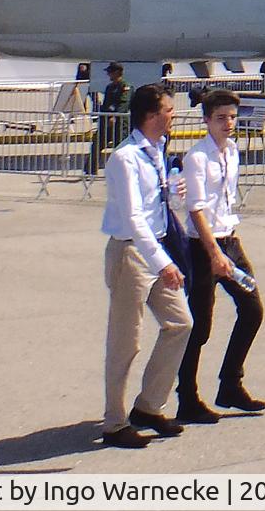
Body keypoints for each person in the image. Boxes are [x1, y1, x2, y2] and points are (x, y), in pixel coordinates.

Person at [99, 83, 192, 448]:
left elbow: (156, 207)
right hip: (132, 254)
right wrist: (163, 263)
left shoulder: (157, 150)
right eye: (169, 110)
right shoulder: (125, 157)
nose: (174, 115)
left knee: (180, 323)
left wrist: (174, 195)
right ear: (152, 114)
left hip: (155, 247)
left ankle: (149, 406)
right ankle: (114, 422)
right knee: (126, 342)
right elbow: (133, 218)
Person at [176, 89, 265, 422]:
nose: (228, 124)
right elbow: (195, 208)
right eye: (221, 118)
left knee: (252, 309)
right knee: (199, 327)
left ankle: (230, 384)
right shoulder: (196, 157)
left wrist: (227, 246)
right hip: (203, 246)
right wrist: (214, 253)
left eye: (232, 117)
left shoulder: (232, 151)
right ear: (206, 120)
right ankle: (187, 397)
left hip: (229, 239)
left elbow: (223, 202)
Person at [88, 64, 130, 177]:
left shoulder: (125, 87)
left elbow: (123, 104)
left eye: (110, 72)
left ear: (117, 72)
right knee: (97, 144)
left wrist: (115, 116)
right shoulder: (109, 87)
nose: (108, 74)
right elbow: (107, 104)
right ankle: (90, 170)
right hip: (106, 122)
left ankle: (121, 172)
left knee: (120, 148)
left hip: (119, 123)